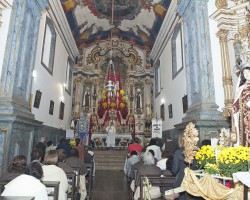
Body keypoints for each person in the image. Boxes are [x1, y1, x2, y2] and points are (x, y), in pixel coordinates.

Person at [228, 66, 250, 146]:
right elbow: (237, 103)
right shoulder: (242, 88)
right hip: (245, 118)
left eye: (248, 72)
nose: (246, 74)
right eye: (244, 73)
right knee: (245, 136)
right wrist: (232, 109)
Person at [171, 133, 196, 200]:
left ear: (181, 141)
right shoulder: (197, 151)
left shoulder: (178, 152)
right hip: (195, 180)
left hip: (182, 181)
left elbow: (175, 170)